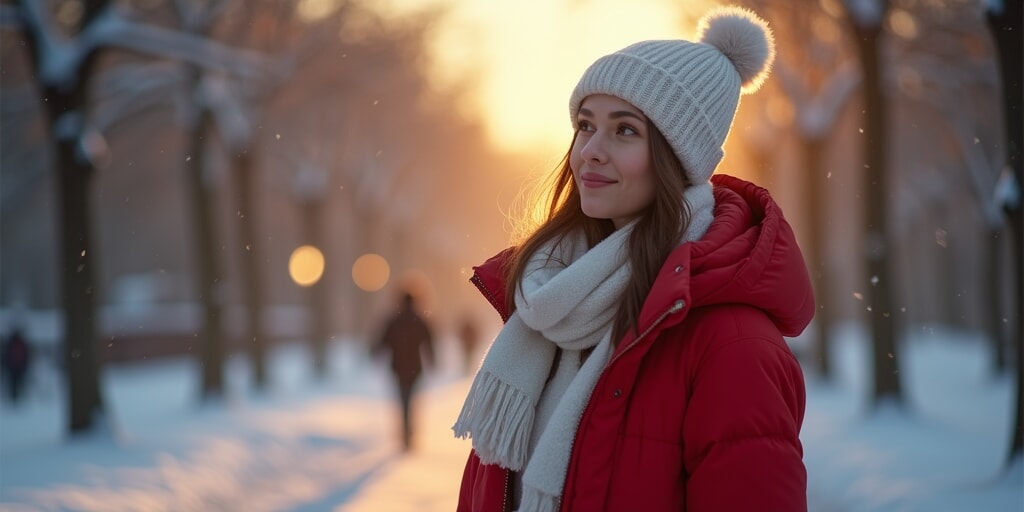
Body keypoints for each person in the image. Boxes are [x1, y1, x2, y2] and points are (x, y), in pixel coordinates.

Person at [452, 6, 814, 512]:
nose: (590, 151)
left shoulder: (732, 345)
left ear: (676, 158)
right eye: (585, 125)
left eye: (625, 131)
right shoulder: (549, 309)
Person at [372, 289, 436, 451]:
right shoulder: (419, 319)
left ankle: (405, 432)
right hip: (414, 368)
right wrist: (433, 360)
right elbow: (429, 342)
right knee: (412, 400)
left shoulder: (394, 320)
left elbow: (382, 341)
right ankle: (409, 432)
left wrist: (376, 353)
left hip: (398, 368)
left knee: (403, 400)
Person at [1, 328, 31, 404]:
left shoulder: (12, 343)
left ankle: (16, 396)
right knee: (15, 382)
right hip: (16, 366)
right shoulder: (18, 343)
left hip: (15, 366)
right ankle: (15, 396)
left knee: (15, 382)